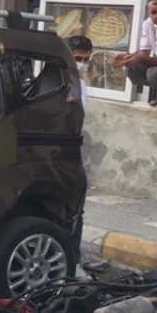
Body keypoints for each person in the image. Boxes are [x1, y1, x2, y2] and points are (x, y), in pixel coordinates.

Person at [67, 35, 93, 262]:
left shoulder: (81, 84)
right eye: (77, 58)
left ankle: (72, 262)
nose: (82, 64)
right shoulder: (59, 79)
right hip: (56, 153)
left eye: (86, 59)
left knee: (76, 214)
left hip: (71, 152)